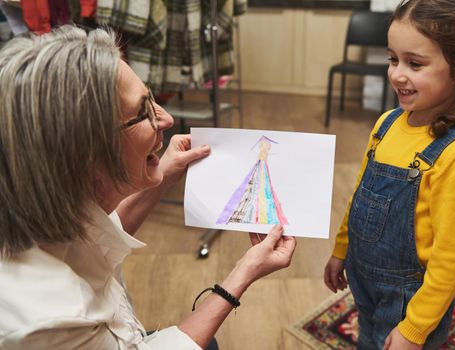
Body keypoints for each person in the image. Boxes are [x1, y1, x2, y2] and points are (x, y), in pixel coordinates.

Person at [0, 25, 296, 349]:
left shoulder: (48, 204)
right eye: (143, 112)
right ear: (86, 151)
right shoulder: (51, 320)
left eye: (152, 98)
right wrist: (245, 272)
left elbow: (95, 242)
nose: (167, 119)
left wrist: (164, 174)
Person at [324, 0, 455, 349]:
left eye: (414, 63)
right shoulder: (387, 124)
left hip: (409, 300)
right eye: (393, 59)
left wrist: (414, 329)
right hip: (364, 277)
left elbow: (451, 261)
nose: (396, 74)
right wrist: (341, 248)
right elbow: (361, 193)